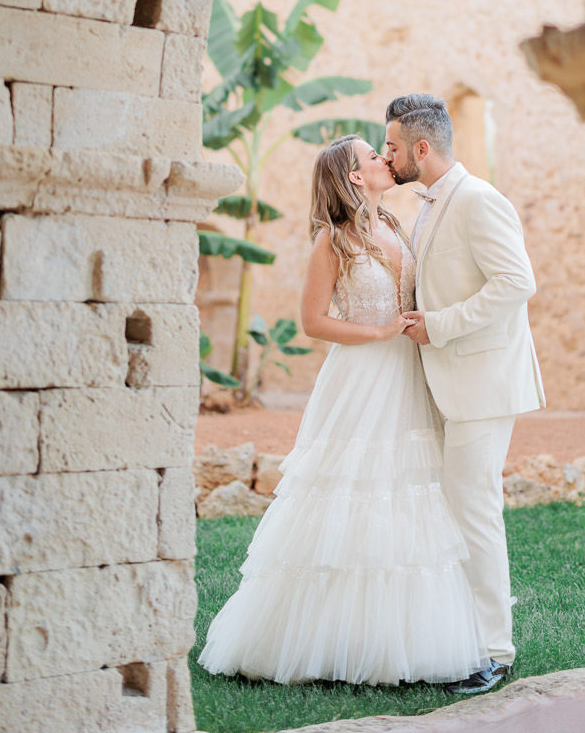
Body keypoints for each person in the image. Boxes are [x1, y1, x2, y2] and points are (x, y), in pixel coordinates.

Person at [197, 135, 488, 686]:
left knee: (406, 494)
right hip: (360, 379)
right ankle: (317, 639)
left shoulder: (400, 228)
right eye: (372, 156)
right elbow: (313, 322)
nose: (384, 159)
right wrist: (379, 331)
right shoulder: (332, 241)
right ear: (355, 177)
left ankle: (396, 638)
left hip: (406, 375)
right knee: (351, 491)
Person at [384, 93, 547, 696]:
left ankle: (496, 653)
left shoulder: (478, 200)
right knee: (456, 510)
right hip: (449, 381)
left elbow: (516, 282)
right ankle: (462, 636)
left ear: (421, 148)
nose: (388, 156)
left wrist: (440, 324)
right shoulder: (429, 203)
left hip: (482, 383)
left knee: (475, 512)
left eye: (394, 147)